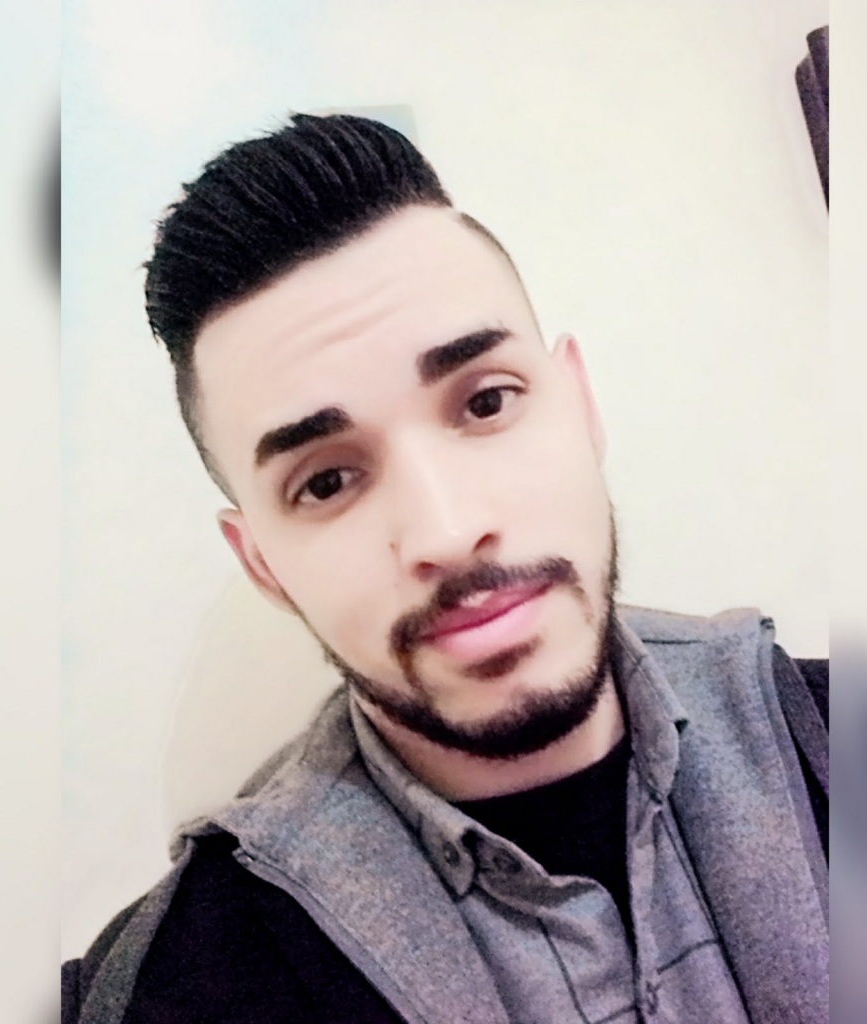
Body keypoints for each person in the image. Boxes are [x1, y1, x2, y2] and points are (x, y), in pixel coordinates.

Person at [62, 114, 828, 1024]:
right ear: (263, 565)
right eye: (327, 481)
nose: (450, 531)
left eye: (487, 401)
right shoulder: (184, 981)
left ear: (580, 406)